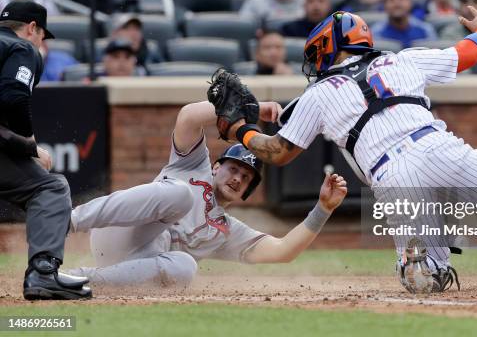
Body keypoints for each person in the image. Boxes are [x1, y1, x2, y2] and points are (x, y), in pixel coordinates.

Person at [223, 10, 477, 294]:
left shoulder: (319, 93)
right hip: (438, 146)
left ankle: (422, 265)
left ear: (330, 46)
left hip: (392, 176)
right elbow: (469, 53)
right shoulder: (402, 59)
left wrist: (240, 129)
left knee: (426, 279)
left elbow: (276, 152)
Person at [68, 100, 347, 287]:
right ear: (215, 167)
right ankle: (68, 220)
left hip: (130, 268)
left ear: (248, 190)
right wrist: (252, 109)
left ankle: (81, 281)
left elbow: (283, 251)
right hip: (116, 232)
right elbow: (188, 117)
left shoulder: (226, 231)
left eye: (246, 177)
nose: (238, 178)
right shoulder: (192, 164)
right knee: (180, 195)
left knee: (186, 267)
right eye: (233, 169)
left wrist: (323, 209)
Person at [0, 0, 91, 300]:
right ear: (32, 28)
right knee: (50, 188)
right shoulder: (23, 48)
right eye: (42, 35)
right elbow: (13, 99)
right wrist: (30, 147)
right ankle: (42, 274)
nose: (41, 42)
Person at [371, 0, 437, 49]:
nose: (397, 3)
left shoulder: (426, 31)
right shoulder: (376, 33)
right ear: (384, 5)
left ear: (410, 2)